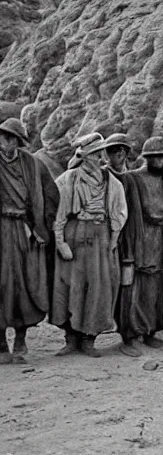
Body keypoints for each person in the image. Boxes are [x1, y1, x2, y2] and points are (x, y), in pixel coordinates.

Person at [51, 133, 128, 357]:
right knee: (69, 286)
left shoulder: (111, 182)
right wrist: (61, 243)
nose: (99, 157)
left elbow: (119, 214)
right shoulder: (68, 179)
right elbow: (59, 214)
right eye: (94, 154)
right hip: (74, 234)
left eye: (100, 153)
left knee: (99, 287)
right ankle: (71, 338)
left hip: (100, 236)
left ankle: (89, 338)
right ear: (84, 156)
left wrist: (112, 241)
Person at [0, 118, 59, 364]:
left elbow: (50, 194)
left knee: (26, 284)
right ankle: (1, 342)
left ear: (16, 141)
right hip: (1, 230)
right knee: (2, 284)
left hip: (27, 232)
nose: (3, 141)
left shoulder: (34, 165)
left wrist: (41, 226)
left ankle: (21, 338)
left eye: (7, 137)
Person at [117, 137, 163, 357]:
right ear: (148, 158)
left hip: (160, 239)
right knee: (134, 288)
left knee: (156, 287)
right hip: (139, 240)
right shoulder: (132, 178)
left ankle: (150, 330)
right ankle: (129, 335)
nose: (162, 161)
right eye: (158, 157)